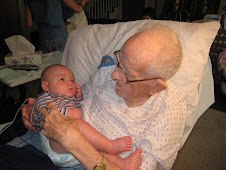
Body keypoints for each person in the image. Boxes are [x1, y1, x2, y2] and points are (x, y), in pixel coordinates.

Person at [21, 23, 186, 169]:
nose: (113, 75)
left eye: (126, 75)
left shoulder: (170, 108)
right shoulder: (106, 71)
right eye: (119, 61)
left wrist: (77, 144)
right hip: (44, 140)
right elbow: (73, 97)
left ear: (156, 86)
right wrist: (37, 107)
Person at [32, 64, 133, 168]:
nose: (70, 83)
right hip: (54, 143)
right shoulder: (46, 97)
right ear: (46, 86)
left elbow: (80, 110)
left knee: (96, 151)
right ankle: (110, 145)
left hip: (76, 149)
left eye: (72, 80)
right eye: (62, 79)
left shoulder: (70, 99)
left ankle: (123, 164)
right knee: (77, 124)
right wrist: (71, 113)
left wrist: (79, 98)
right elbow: (49, 111)